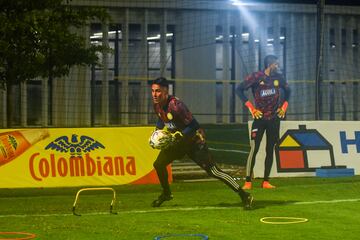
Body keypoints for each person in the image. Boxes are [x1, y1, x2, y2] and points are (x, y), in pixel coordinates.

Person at [150, 77, 253, 210]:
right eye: (152, 91)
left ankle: (245, 195)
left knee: (214, 172)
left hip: (194, 143)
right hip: (178, 144)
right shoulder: (157, 105)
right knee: (158, 164)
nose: (154, 94)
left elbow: (194, 125)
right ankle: (166, 193)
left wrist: (180, 134)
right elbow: (161, 119)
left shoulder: (176, 105)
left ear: (165, 91)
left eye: (157, 91)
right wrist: (156, 133)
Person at [236, 55, 291, 189]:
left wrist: (284, 107)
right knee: (254, 149)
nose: (277, 67)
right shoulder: (256, 77)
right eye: (276, 64)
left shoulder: (279, 78)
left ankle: (266, 181)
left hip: (274, 120)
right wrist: (251, 108)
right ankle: (248, 181)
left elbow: (288, 91)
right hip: (259, 119)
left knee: (270, 150)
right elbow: (239, 89)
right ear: (270, 65)